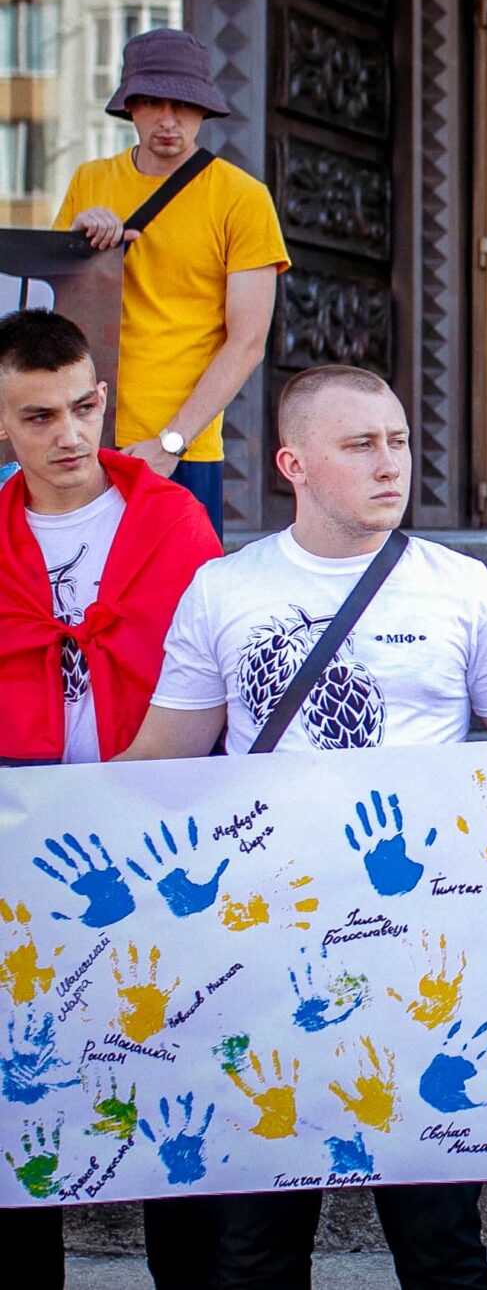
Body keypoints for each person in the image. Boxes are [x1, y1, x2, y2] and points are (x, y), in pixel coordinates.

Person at [117, 364, 487, 1290]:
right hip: (267, 953)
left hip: (418, 961)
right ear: (293, 464)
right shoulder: (224, 590)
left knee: (440, 1242)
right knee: (255, 1245)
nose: (390, 464)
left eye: (399, 442)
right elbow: (161, 761)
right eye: (361, 444)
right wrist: (38, 825)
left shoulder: (461, 588)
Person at [0, 309, 221, 1289]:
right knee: (25, 1096)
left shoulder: (171, 521)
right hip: (23, 853)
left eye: (83, 407)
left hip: (158, 844)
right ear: (2, 426)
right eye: (38, 416)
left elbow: (228, 678)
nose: (69, 433)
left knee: (175, 1087)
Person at [56, 28, 290, 538]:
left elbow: (247, 342)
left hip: (181, 449)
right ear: (130, 107)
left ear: (203, 108)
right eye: (152, 102)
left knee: (183, 587)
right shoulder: (90, 182)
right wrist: (78, 242)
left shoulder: (242, 198)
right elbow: (52, 314)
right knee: (74, 584)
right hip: (84, 435)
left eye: (182, 104)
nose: (168, 119)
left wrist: (171, 443)